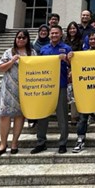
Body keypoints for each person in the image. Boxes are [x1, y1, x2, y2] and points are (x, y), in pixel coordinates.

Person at [0, 29, 34, 156]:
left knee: (19, 116)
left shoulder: (32, 53)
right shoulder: (9, 52)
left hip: (24, 88)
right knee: (4, 116)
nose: (21, 40)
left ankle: (15, 142)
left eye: (23, 38)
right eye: (19, 37)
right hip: (8, 87)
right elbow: (0, 68)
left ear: (27, 40)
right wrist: (12, 60)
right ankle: (3, 143)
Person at [32, 24, 72, 154]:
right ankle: (41, 142)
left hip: (61, 85)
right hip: (45, 86)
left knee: (62, 116)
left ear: (61, 34)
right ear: (49, 34)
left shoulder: (67, 48)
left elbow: (73, 66)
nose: (54, 35)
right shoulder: (43, 50)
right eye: (52, 33)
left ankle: (63, 143)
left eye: (56, 33)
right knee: (43, 115)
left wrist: (67, 60)